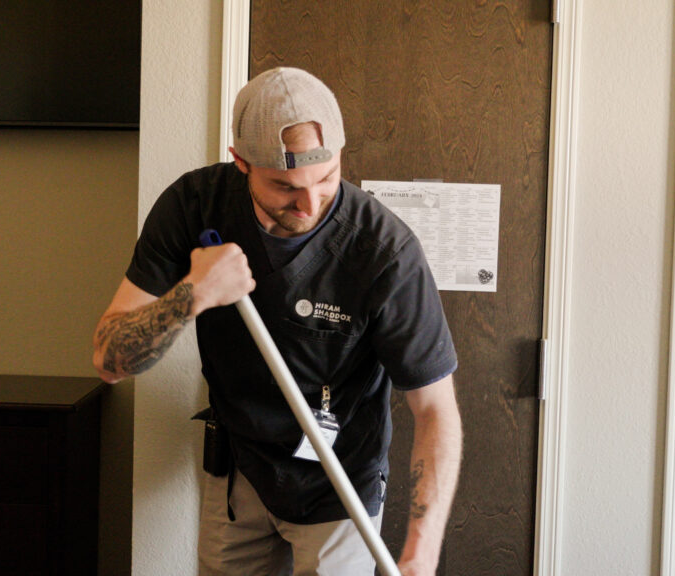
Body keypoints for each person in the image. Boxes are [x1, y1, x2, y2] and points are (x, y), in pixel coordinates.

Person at [93, 67, 462, 576]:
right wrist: (190, 296)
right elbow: (109, 362)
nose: (310, 205)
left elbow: (436, 409)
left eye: (327, 179)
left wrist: (420, 554)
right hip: (239, 473)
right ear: (240, 162)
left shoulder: (385, 252)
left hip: (340, 486)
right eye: (285, 187)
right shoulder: (195, 206)